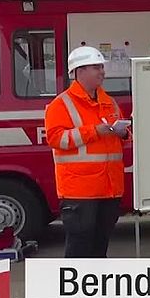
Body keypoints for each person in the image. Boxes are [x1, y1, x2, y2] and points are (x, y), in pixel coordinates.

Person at [44, 46, 129, 261]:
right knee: (80, 249)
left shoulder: (109, 101)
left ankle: (96, 290)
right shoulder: (60, 105)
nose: (102, 72)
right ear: (79, 71)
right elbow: (56, 139)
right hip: (79, 191)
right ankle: (75, 292)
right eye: (96, 67)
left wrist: (124, 132)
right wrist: (94, 131)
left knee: (100, 247)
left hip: (109, 189)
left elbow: (120, 136)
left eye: (101, 67)